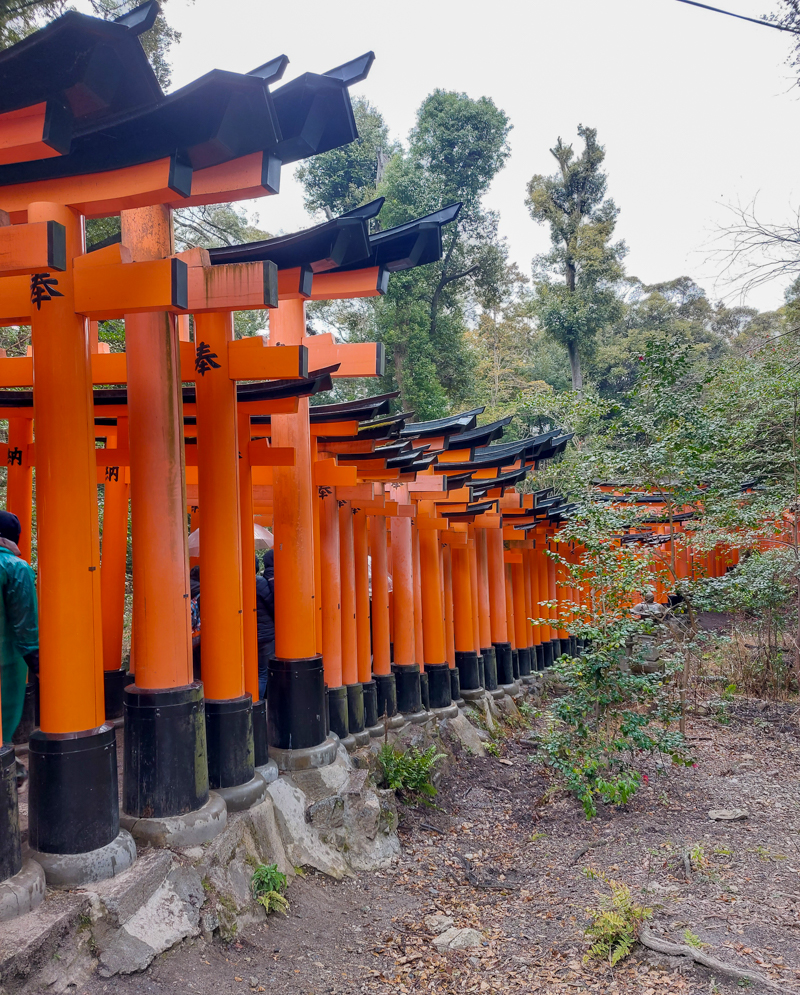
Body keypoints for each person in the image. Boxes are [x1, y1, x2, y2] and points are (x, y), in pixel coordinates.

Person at [0, 511, 39, 787]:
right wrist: (38, 664)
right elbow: (25, 626)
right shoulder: (16, 568)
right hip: (7, 661)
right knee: (4, 723)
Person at [255, 550, 274, 700]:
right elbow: (272, 604)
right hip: (266, 634)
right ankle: (258, 703)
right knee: (262, 673)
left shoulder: (236, 581)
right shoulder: (260, 582)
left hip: (246, 634)